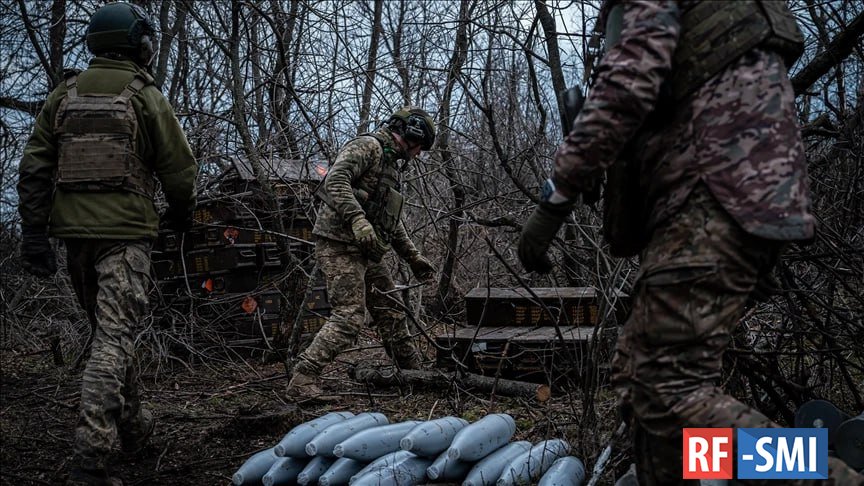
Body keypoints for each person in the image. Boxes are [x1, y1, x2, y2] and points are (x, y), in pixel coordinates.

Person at [518, 0, 863, 484]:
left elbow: (630, 82)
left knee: (665, 388)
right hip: (734, 197)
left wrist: (555, 199)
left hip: (712, 194)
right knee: (642, 386)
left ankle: (832, 478)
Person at [17, 2, 197, 484]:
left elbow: (34, 167)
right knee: (115, 339)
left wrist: (34, 232)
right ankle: (91, 458)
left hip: (75, 238)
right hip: (125, 237)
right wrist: (181, 214)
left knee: (109, 336)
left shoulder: (64, 95)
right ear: (137, 43)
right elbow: (179, 169)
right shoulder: (145, 96)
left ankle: (136, 432)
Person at [287, 107, 437, 398]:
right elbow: (335, 180)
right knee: (349, 315)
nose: (418, 155)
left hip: (366, 250)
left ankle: (414, 373)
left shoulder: (391, 167)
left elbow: (389, 220)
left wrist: (413, 257)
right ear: (412, 135)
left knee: (390, 310)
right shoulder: (368, 146)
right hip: (339, 243)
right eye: (420, 147)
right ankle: (303, 377)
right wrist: (358, 220)